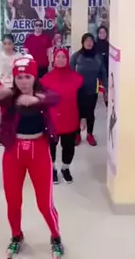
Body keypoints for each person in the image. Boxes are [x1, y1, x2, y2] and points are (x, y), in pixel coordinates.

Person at [0, 56, 64, 258]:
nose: (23, 82)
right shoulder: (9, 96)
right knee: (13, 201)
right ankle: (16, 236)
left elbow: (56, 97)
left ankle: (56, 237)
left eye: (27, 77)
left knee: (44, 204)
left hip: (38, 151)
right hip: (13, 152)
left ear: (34, 77)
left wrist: (36, 99)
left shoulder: (43, 94)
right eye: (19, 77)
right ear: (14, 78)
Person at [42, 49, 84, 184]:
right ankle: (52, 168)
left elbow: (82, 100)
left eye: (63, 57)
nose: (60, 60)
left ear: (67, 59)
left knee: (69, 146)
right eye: (58, 57)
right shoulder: (45, 80)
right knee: (51, 146)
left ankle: (65, 168)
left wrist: (83, 118)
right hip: (52, 120)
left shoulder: (77, 79)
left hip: (70, 118)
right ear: (54, 59)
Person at [71, 33, 107, 146]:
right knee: (77, 112)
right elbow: (69, 74)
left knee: (90, 113)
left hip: (92, 89)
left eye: (91, 40)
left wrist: (106, 88)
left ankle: (89, 134)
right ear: (83, 42)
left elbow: (103, 73)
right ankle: (77, 134)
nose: (89, 43)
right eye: (86, 40)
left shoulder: (98, 56)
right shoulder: (76, 56)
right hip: (78, 90)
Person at [94, 25, 110, 105]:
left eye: (104, 32)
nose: (102, 34)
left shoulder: (109, 45)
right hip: (97, 71)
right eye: (100, 33)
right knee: (95, 91)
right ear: (98, 34)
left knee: (106, 90)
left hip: (106, 70)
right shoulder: (94, 45)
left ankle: (107, 104)